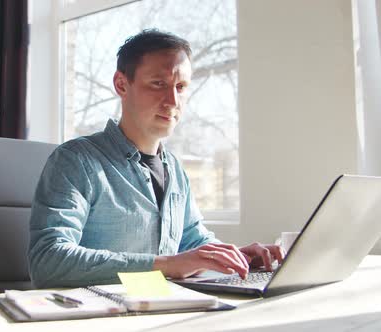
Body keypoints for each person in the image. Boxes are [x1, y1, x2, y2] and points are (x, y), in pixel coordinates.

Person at [28, 29, 284, 288]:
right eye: (158, 84)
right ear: (121, 84)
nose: (173, 100)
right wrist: (166, 266)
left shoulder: (175, 169)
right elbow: (48, 260)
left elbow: (192, 241)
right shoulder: (76, 161)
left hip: (159, 309)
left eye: (181, 87)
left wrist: (235, 257)